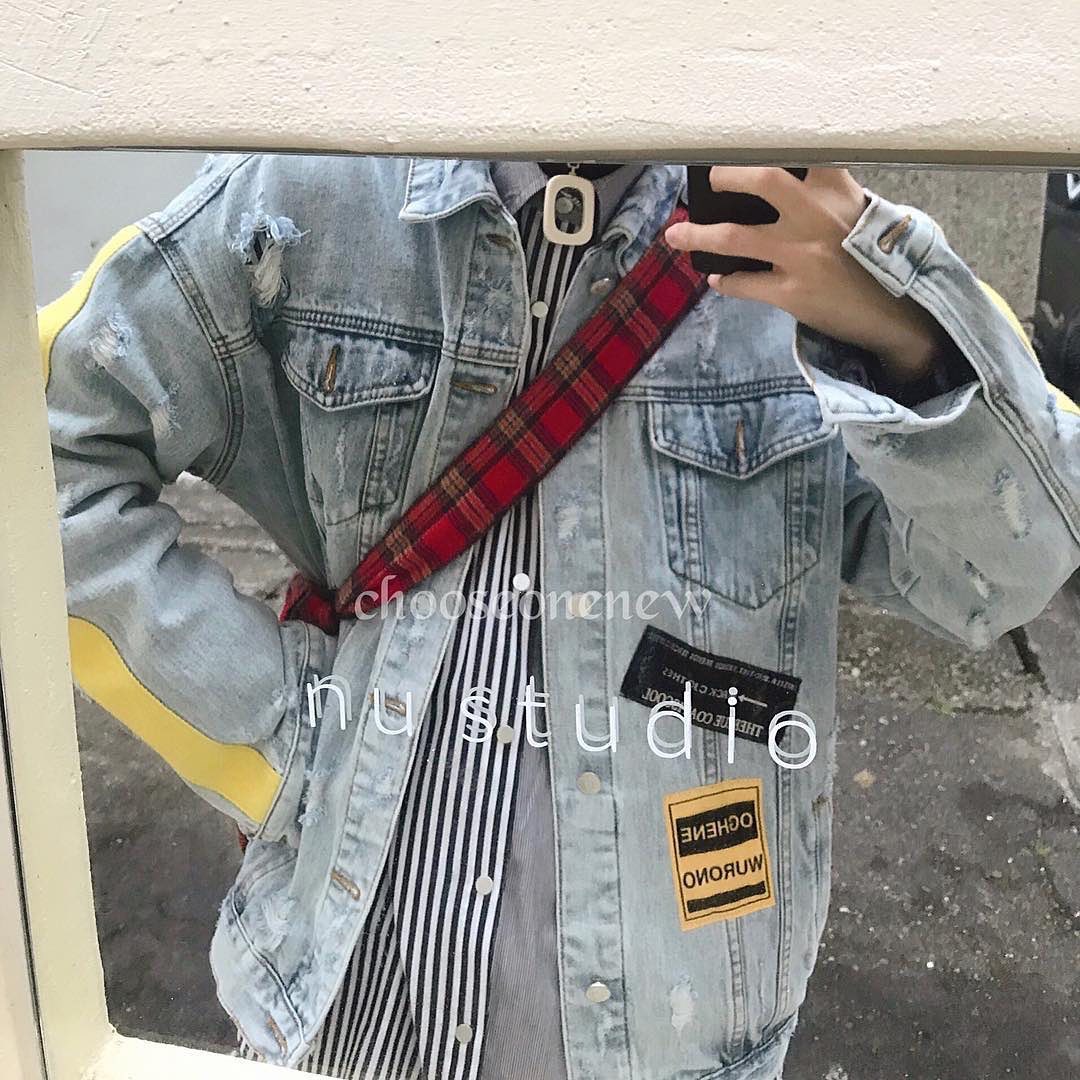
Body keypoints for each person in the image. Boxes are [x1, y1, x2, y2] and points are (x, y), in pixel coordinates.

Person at [41, 154, 1080, 1080]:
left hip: (686, 1024)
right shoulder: (306, 191)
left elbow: (1010, 563)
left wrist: (901, 325)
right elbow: (46, 445)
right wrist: (283, 740)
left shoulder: (810, 236)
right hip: (343, 999)